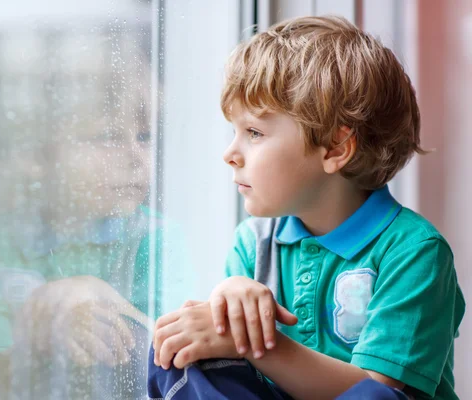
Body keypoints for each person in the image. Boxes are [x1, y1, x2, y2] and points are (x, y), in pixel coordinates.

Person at [149, 15, 465, 400]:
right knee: (177, 347)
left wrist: (255, 344)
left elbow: (377, 389)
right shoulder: (253, 243)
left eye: (254, 133)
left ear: (335, 147)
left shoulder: (414, 252)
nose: (230, 154)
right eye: (234, 132)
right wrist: (229, 300)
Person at [0, 30, 193, 400]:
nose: (135, 158)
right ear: (33, 155)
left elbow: (176, 364)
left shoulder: (155, 239)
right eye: (108, 136)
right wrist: (38, 337)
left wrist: (100, 299)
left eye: (144, 136)